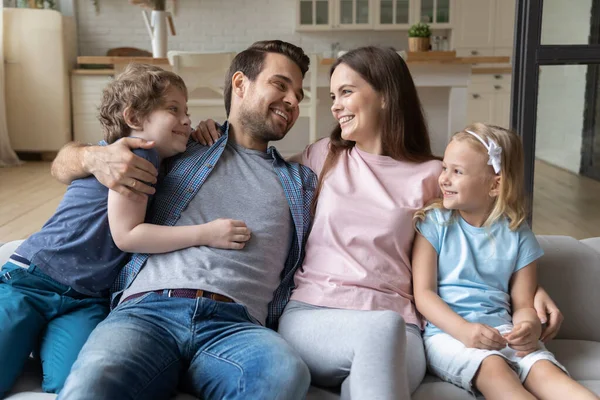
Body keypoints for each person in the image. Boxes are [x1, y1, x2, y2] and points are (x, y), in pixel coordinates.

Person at [194, 47, 566, 398]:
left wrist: (531, 289)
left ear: (386, 95)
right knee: (381, 328)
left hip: (401, 327)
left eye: (346, 92)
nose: (335, 105)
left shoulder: (433, 176)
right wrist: (211, 136)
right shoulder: (323, 156)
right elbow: (252, 168)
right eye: (332, 96)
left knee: (375, 359)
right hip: (316, 316)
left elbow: (486, 231)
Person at [52, 40, 315, 400]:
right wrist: (95, 157)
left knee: (285, 375)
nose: (292, 101)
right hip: (146, 313)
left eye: (299, 95)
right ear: (240, 84)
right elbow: (62, 163)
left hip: (236, 328)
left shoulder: (300, 181)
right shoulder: (180, 145)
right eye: (280, 85)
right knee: (92, 384)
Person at [0, 63, 209, 396]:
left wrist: (198, 130)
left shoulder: (157, 157)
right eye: (174, 109)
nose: (186, 119)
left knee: (74, 382)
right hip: (33, 279)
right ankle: (27, 330)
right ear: (134, 118)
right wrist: (207, 233)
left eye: (187, 111)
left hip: (85, 298)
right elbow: (127, 235)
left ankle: (33, 335)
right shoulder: (138, 154)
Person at [412, 123, 599, 399]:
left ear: (495, 184)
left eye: (457, 171)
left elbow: (523, 303)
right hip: (449, 334)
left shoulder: (517, 233)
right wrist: (465, 331)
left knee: (548, 373)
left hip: (503, 331)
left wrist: (529, 327)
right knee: (494, 368)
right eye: (444, 168)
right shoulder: (434, 223)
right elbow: (424, 294)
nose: (444, 179)